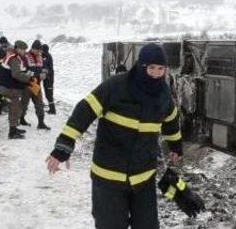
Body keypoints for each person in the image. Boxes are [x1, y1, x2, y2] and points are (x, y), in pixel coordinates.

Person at [46, 43, 183, 229]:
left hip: (144, 176)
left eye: (161, 69)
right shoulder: (117, 85)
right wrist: (63, 147)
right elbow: (84, 111)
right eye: (151, 68)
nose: (156, 73)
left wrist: (175, 146)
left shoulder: (163, 94)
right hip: (109, 177)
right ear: (141, 66)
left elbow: (171, 119)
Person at [0, 40, 33, 139]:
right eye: (23, 49)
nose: (25, 51)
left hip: (7, 87)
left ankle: (14, 128)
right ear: (17, 49)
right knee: (15, 108)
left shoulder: (13, 56)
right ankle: (12, 132)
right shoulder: (14, 58)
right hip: (9, 88)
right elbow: (16, 74)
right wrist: (28, 77)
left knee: (15, 108)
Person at [20, 40, 50, 130]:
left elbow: (45, 67)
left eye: (40, 51)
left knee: (39, 104)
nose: (38, 52)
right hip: (27, 85)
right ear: (32, 49)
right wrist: (37, 75)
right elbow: (24, 71)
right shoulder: (25, 57)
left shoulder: (40, 57)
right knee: (24, 104)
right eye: (37, 50)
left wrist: (45, 73)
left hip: (36, 85)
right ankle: (21, 119)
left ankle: (41, 123)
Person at [41, 44, 56, 115]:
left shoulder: (48, 56)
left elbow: (50, 68)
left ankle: (53, 110)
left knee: (49, 94)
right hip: (45, 78)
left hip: (49, 78)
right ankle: (51, 108)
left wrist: (45, 72)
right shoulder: (43, 55)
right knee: (47, 94)